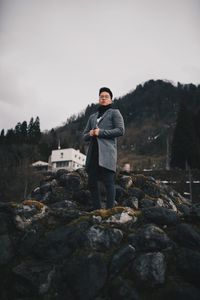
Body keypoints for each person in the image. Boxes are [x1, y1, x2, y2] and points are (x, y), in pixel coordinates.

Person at [83, 87, 125, 210]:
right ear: (99, 99)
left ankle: (110, 211)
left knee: (109, 183)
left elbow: (120, 130)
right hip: (93, 154)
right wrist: (90, 134)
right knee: (91, 184)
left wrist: (101, 132)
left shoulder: (114, 113)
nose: (103, 98)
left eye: (106, 96)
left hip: (107, 154)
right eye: (101, 96)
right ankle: (97, 210)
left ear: (111, 100)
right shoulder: (92, 117)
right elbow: (84, 136)